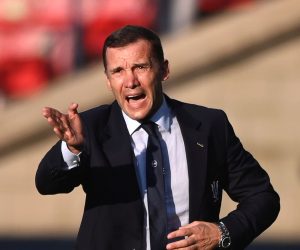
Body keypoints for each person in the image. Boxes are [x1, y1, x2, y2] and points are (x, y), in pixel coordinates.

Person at [35, 25, 280, 250]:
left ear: (164, 70)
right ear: (108, 81)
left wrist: (221, 232)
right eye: (118, 71)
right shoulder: (90, 128)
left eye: (141, 67)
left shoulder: (208, 125)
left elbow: (262, 197)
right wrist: (73, 148)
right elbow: (47, 183)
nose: (130, 81)